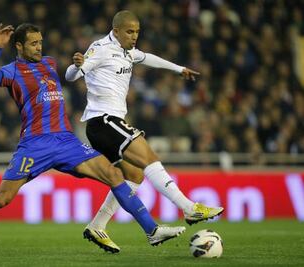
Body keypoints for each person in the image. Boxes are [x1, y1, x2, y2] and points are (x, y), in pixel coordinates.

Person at [0, 23, 187, 257]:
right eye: (33, 43)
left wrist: (79, 65)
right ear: (19, 46)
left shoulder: (50, 63)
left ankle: (152, 231)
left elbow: (75, 73)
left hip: (66, 142)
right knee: (1, 199)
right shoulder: (12, 71)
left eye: (40, 42)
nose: (39, 47)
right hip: (35, 144)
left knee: (115, 175)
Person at [65, 10, 224, 253]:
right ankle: (189, 208)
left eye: (137, 31)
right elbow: (71, 75)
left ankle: (98, 225)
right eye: (130, 31)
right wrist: (76, 66)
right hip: (103, 120)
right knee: (149, 158)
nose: (134, 36)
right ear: (116, 31)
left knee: (134, 176)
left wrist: (179, 69)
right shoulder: (101, 48)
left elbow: (148, 57)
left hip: (107, 125)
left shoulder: (128, 52)